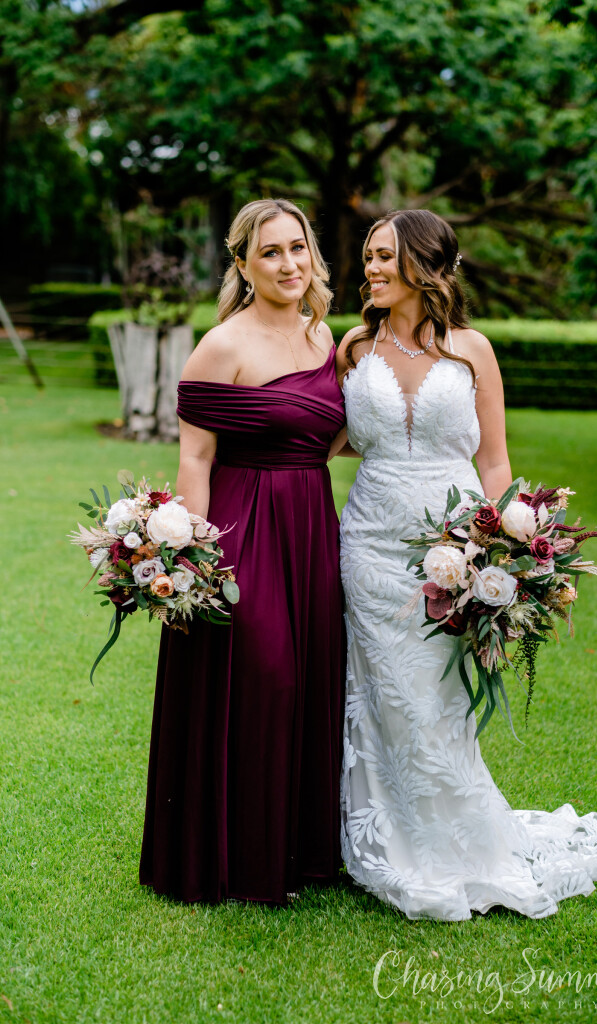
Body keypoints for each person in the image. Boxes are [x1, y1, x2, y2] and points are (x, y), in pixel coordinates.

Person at [334, 208, 597, 920]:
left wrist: (510, 545)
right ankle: (385, 840)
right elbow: (330, 438)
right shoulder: (353, 348)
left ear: (423, 266)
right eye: (367, 257)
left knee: (438, 700)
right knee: (380, 696)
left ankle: (455, 840)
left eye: (383, 256)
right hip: (368, 543)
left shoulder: (472, 351)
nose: (369, 269)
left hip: (454, 548)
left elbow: (493, 460)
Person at [140, 199, 346, 906]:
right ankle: (231, 857)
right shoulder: (222, 346)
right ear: (242, 264)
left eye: (298, 248)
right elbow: (194, 460)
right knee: (268, 672)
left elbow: (331, 436)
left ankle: (296, 852)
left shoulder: (325, 337)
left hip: (310, 525)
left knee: (309, 678)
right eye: (270, 252)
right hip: (242, 525)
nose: (289, 264)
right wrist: (193, 561)